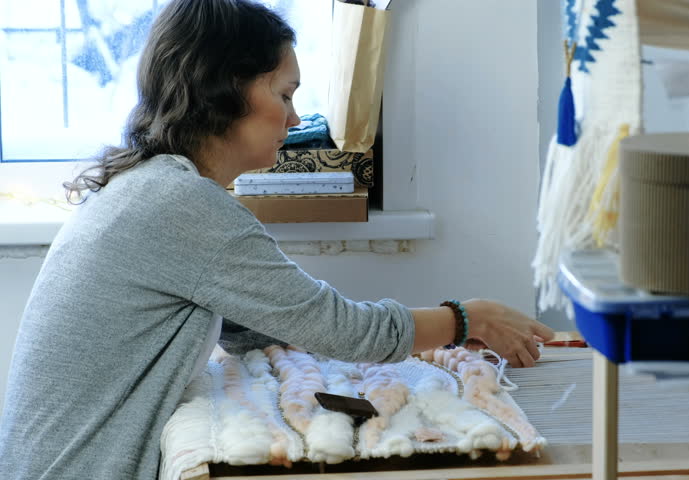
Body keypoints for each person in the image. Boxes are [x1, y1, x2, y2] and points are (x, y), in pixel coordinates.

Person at [0, 0, 555, 479]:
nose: (293, 119)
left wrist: (433, 346)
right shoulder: (180, 205)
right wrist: (467, 317)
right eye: (285, 94)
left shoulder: (150, 188)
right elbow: (341, 328)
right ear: (225, 91)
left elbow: (266, 326)